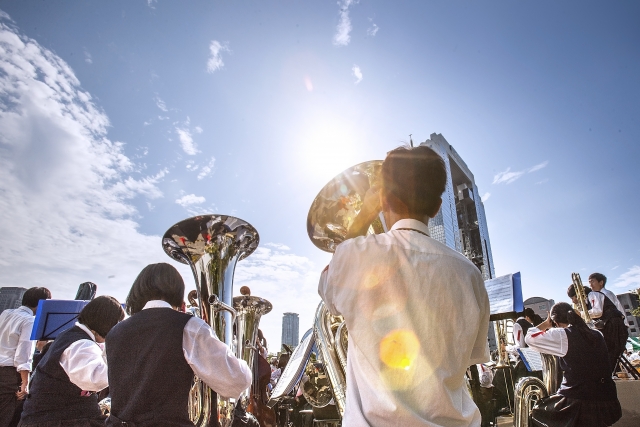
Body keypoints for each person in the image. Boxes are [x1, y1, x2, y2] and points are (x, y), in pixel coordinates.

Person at [318, 145, 491, 427]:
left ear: (382, 198)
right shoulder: (471, 274)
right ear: (437, 208)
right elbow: (470, 357)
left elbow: (329, 291)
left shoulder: (354, 255)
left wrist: (363, 216)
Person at [105, 262, 251, 427]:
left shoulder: (114, 333)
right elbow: (236, 380)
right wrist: (240, 358)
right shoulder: (189, 326)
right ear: (177, 291)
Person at [18, 296, 125, 427]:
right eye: (117, 324)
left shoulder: (73, 336)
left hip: (52, 417)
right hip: (57, 420)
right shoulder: (80, 344)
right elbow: (96, 379)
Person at [525, 302, 621, 427]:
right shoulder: (597, 334)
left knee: (536, 413)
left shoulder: (562, 334)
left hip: (579, 402)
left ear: (556, 322)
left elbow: (529, 339)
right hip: (606, 399)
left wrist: (547, 323)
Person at [0, 287, 51, 427]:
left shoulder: (6, 313)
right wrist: (24, 382)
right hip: (9, 375)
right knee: (4, 417)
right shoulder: (30, 321)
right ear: (42, 304)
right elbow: (24, 354)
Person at [567, 284, 627, 372]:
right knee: (606, 352)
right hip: (610, 325)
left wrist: (581, 314)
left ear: (577, 295)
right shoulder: (588, 302)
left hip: (613, 324)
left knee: (609, 351)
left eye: (572, 298)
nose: (573, 301)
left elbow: (598, 311)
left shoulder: (593, 295)